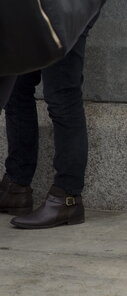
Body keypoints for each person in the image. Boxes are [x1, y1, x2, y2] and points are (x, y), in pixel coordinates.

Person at [0, 17, 98, 229]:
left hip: (64, 1)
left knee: (61, 95)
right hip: (31, 3)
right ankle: (16, 186)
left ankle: (67, 197)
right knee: (16, 86)